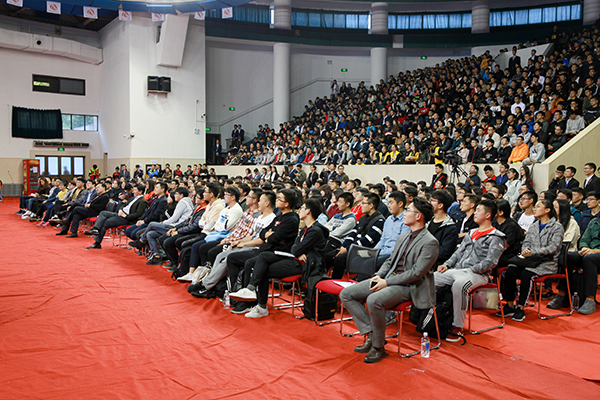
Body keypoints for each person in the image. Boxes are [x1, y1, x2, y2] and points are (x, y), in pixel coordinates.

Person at [340, 197, 438, 363]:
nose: (405, 213)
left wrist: (386, 282)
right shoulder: (404, 236)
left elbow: (416, 273)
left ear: (418, 216)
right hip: (390, 278)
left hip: (410, 286)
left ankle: (378, 346)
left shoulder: (430, 242)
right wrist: (379, 275)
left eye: (408, 210)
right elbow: (390, 261)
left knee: (374, 300)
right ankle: (371, 333)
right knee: (346, 294)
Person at [229, 198, 329, 318]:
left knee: (263, 267)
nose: (300, 210)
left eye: (302, 208)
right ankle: (254, 296)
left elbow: (296, 249)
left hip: (305, 265)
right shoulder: (305, 229)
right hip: (295, 259)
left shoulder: (316, 231)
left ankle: (259, 302)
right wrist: (298, 252)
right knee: (263, 260)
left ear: (308, 211)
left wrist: (298, 251)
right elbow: (294, 247)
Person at [435, 199, 507, 340]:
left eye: (478, 210)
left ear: (488, 215)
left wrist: (472, 269)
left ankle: (457, 326)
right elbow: (458, 253)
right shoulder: (472, 232)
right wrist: (447, 265)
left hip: (478, 274)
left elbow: (491, 261)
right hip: (458, 270)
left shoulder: (497, 236)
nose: (475, 213)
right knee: (431, 279)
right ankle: (429, 317)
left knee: (460, 285)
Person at [499, 199, 564, 321]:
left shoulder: (556, 227)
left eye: (538, 206)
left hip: (546, 262)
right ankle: (509, 305)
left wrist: (533, 252)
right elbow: (526, 242)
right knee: (510, 270)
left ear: (547, 210)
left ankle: (521, 307)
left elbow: (553, 247)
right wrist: (526, 250)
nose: (534, 209)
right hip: (530, 260)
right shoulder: (534, 226)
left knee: (526, 274)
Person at [550, 209, 600, 315]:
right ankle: (562, 294)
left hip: (596, 253)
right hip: (590, 252)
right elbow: (584, 239)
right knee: (569, 256)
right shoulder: (594, 221)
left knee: (589, 259)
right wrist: (584, 248)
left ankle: (590, 299)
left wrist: (595, 251)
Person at [330, 193, 385, 279]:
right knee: (330, 255)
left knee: (340, 258)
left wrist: (348, 249)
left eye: (363, 203)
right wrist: (344, 246)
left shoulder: (379, 221)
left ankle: (335, 281)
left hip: (367, 251)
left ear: (371, 205)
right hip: (354, 247)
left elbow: (367, 241)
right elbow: (353, 233)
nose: (361, 205)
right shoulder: (363, 218)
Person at [85, 184, 148, 249]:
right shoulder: (132, 198)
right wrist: (120, 210)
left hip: (127, 218)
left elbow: (138, 214)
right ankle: (95, 229)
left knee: (105, 222)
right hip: (120, 214)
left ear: (140, 191)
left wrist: (126, 216)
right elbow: (124, 205)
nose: (133, 191)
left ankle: (97, 243)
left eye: (135, 190)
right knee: (103, 213)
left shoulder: (142, 201)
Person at [373, 191, 411, 269]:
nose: (389, 206)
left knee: (370, 263)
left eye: (391, 203)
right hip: (383, 252)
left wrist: (379, 252)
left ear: (400, 204)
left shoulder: (406, 220)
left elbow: (401, 246)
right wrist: (373, 251)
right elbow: (383, 239)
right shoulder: (388, 219)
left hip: (394, 255)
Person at [427, 190, 458, 267]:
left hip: (436, 265)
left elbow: (444, 252)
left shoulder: (450, 227)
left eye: (432, 200)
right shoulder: (427, 222)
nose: (429, 203)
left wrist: (425, 255)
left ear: (440, 205)